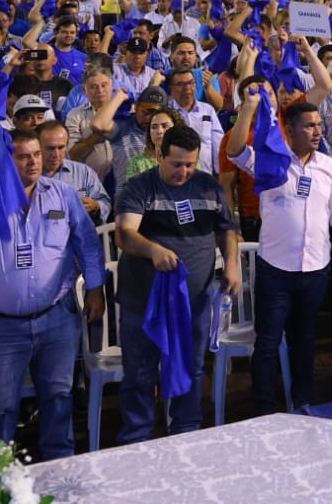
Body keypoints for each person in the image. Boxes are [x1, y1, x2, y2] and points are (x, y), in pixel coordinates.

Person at [0, 129, 105, 458]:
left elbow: (87, 242)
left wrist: (95, 288)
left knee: (59, 397)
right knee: (3, 405)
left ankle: (60, 468)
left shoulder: (61, 194)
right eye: (22, 156)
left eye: (36, 154)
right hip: (1, 327)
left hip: (57, 318)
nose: (33, 161)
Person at [114, 124, 240, 443]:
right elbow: (125, 235)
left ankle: (186, 433)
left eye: (190, 164)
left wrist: (233, 265)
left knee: (192, 368)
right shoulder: (139, 187)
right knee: (140, 374)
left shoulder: (209, 187)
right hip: (143, 302)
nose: (184, 172)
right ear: (159, 155)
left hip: (195, 302)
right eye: (176, 164)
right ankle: (137, 438)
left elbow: (226, 228)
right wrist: (152, 249)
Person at [231, 98, 332, 414]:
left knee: (305, 340)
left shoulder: (328, 166)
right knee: (268, 344)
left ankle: (303, 401)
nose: (317, 131)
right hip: (276, 270)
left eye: (318, 125)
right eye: (310, 125)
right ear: (290, 130)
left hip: (316, 269)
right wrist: (248, 109)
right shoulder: (271, 160)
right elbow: (234, 151)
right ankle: (264, 409)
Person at [37, 120, 110, 222]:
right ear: (37, 146)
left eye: (61, 147)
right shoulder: (27, 176)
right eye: (50, 148)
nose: (56, 155)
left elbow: (105, 203)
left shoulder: (84, 172)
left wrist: (96, 206)